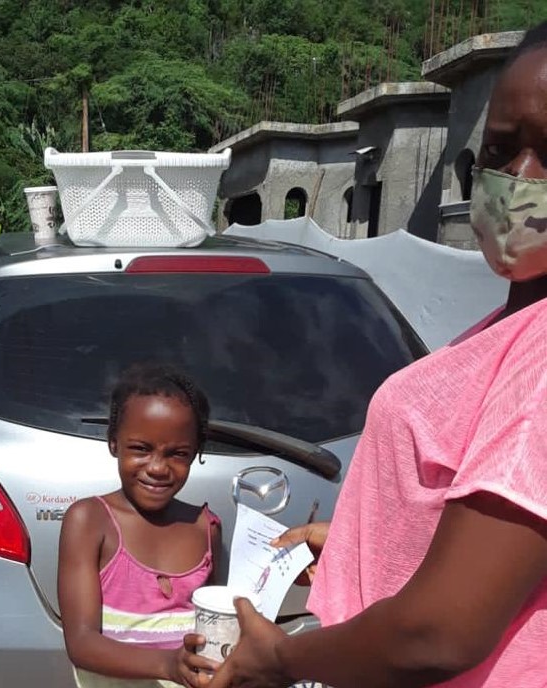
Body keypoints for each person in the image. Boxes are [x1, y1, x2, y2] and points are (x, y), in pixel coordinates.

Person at [208, 23, 547, 688]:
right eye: (502, 151)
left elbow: (439, 632)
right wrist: (362, 541)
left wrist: (276, 660)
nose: (520, 182)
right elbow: (491, 556)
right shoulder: (510, 327)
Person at [58, 363, 220, 688]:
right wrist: (168, 664)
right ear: (113, 443)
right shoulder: (90, 521)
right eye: (141, 449)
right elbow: (82, 643)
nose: (158, 468)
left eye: (177, 454)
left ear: (196, 454)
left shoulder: (206, 528)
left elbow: (213, 630)